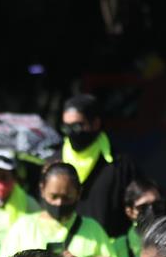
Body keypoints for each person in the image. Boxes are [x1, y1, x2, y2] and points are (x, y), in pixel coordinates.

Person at [58, 94, 144, 239]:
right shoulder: (54, 162)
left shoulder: (119, 165)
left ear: (96, 124)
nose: (71, 132)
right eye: (66, 127)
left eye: (77, 126)